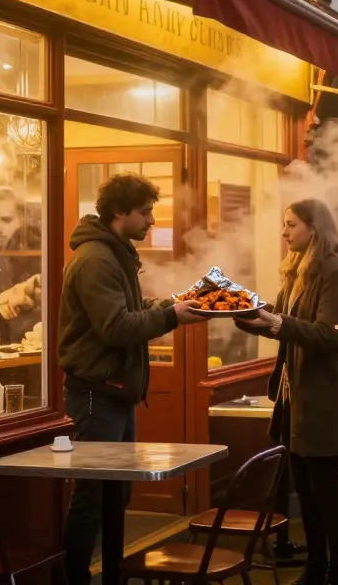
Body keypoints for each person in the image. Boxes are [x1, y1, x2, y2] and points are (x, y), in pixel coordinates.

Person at [58, 173, 206, 585]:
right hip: (96, 393)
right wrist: (170, 316)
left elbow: (130, 309)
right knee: (92, 494)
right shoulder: (96, 258)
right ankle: (76, 578)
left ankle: (113, 574)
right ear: (119, 212)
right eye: (144, 212)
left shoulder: (115, 252)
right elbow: (115, 327)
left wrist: (170, 304)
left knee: (117, 492)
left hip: (117, 392)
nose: (151, 221)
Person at [235, 199, 338, 585]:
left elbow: (327, 335)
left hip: (324, 396)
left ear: (314, 228)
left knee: (325, 491)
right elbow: (276, 322)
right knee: (307, 493)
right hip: (295, 398)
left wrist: (275, 321)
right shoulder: (298, 270)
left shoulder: (336, 271)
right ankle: (315, 569)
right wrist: (238, 311)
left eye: (291, 224)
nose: (283, 232)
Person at [0, 187, 43, 345]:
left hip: (36, 345)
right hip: (0, 344)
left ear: (24, 218)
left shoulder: (39, 255)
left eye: (6, 220)